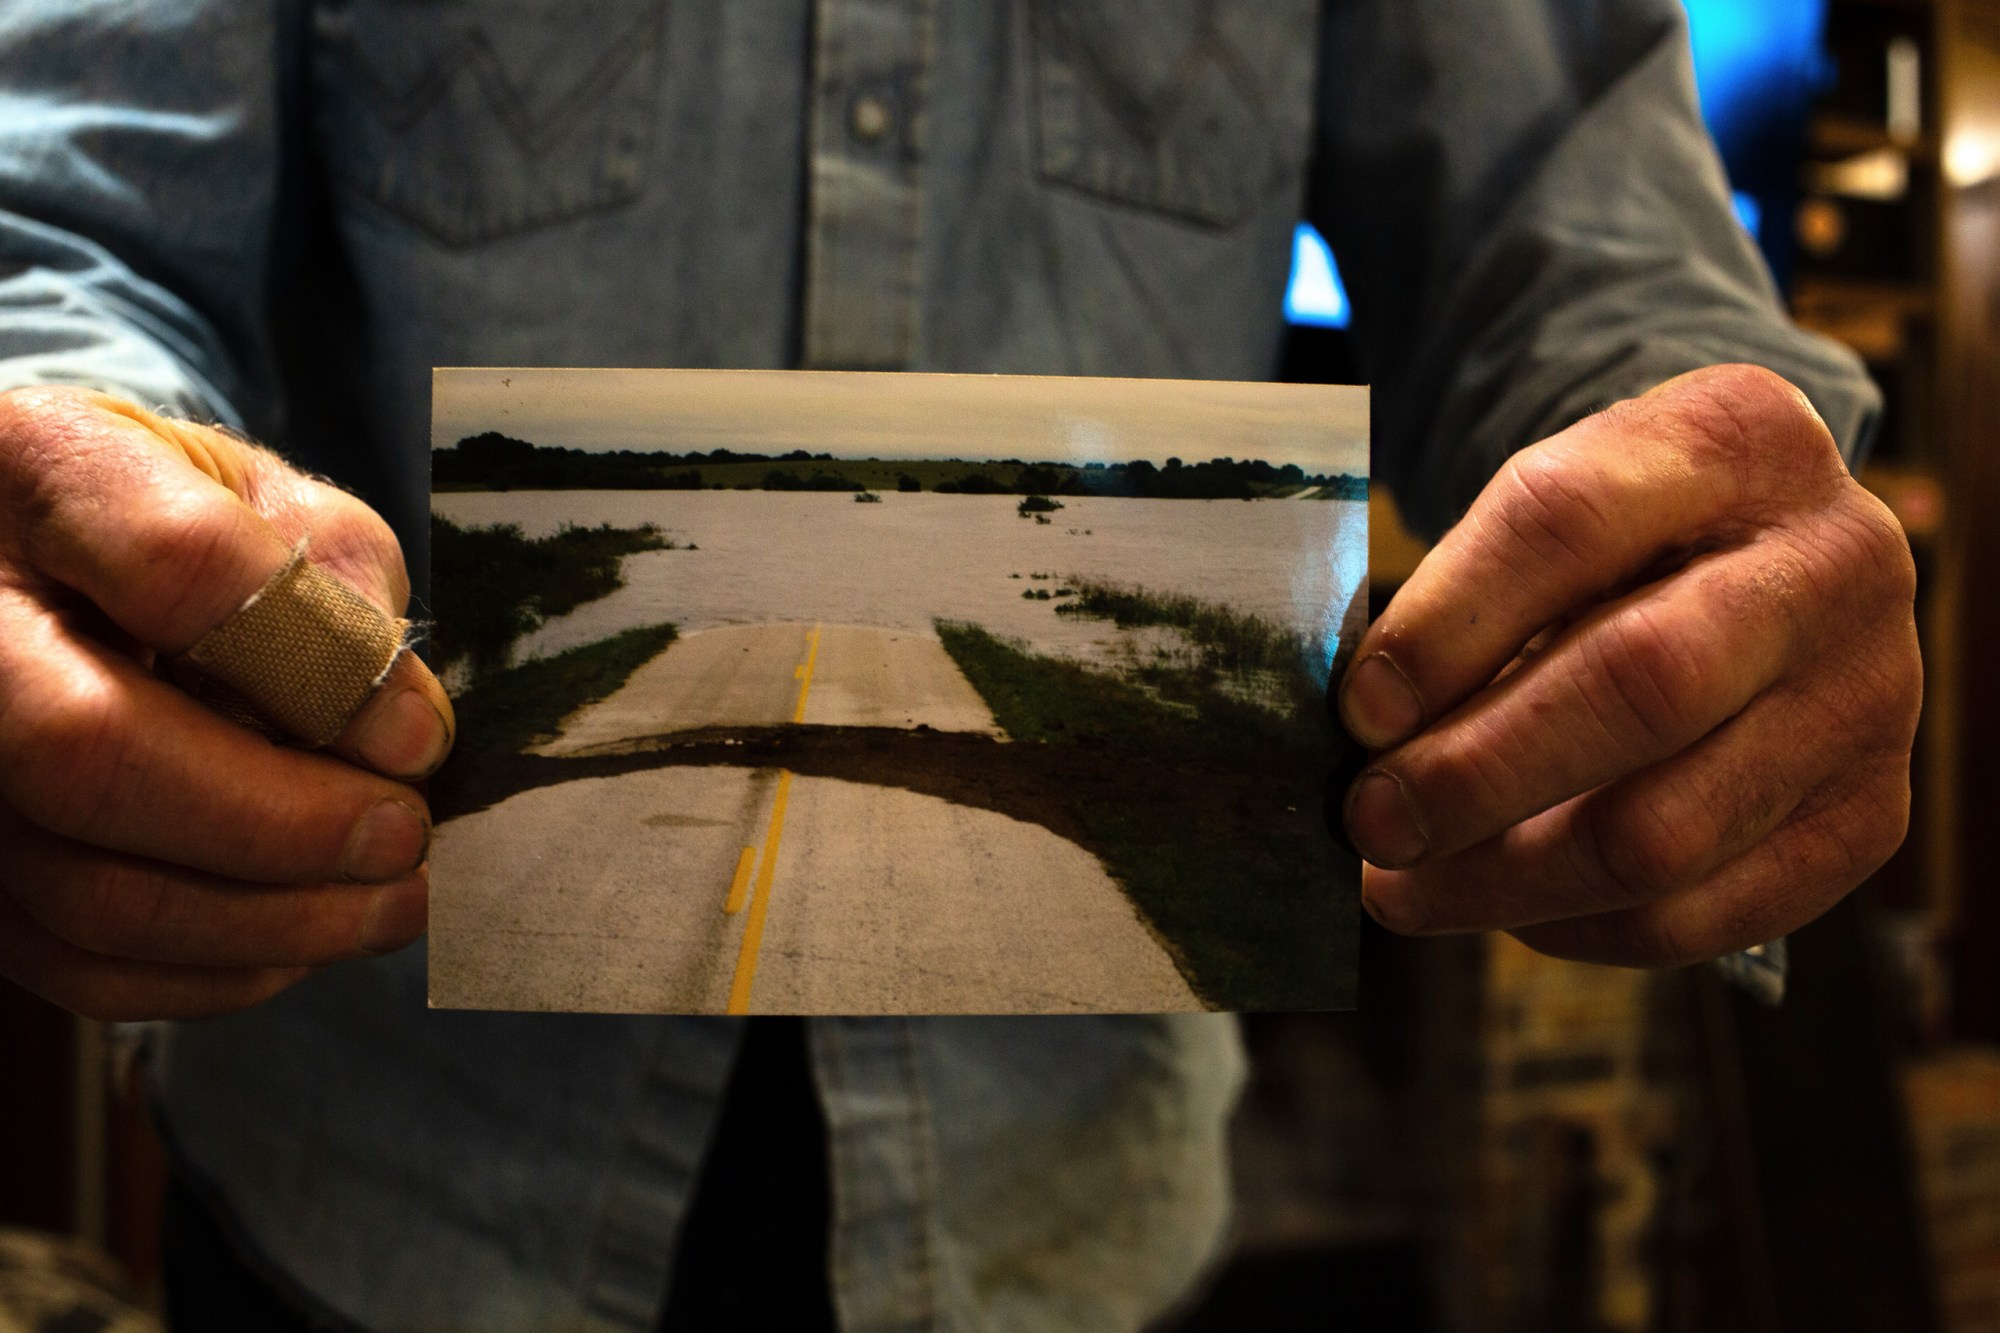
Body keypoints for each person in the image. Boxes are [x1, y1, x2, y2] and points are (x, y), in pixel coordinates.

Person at [0, 2, 1920, 1329]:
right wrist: (91, 491)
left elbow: (1565, 219)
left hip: (1074, 1203)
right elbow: (68, 220)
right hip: (376, 1165)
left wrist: (1704, 495)